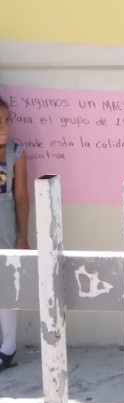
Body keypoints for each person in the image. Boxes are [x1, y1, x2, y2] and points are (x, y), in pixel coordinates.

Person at [0, 98, 29, 372]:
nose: (6, 126)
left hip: (5, 225)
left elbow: (21, 196)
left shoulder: (16, 153)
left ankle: (7, 347)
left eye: (7, 120)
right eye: (0, 122)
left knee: (6, 287)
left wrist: (22, 236)